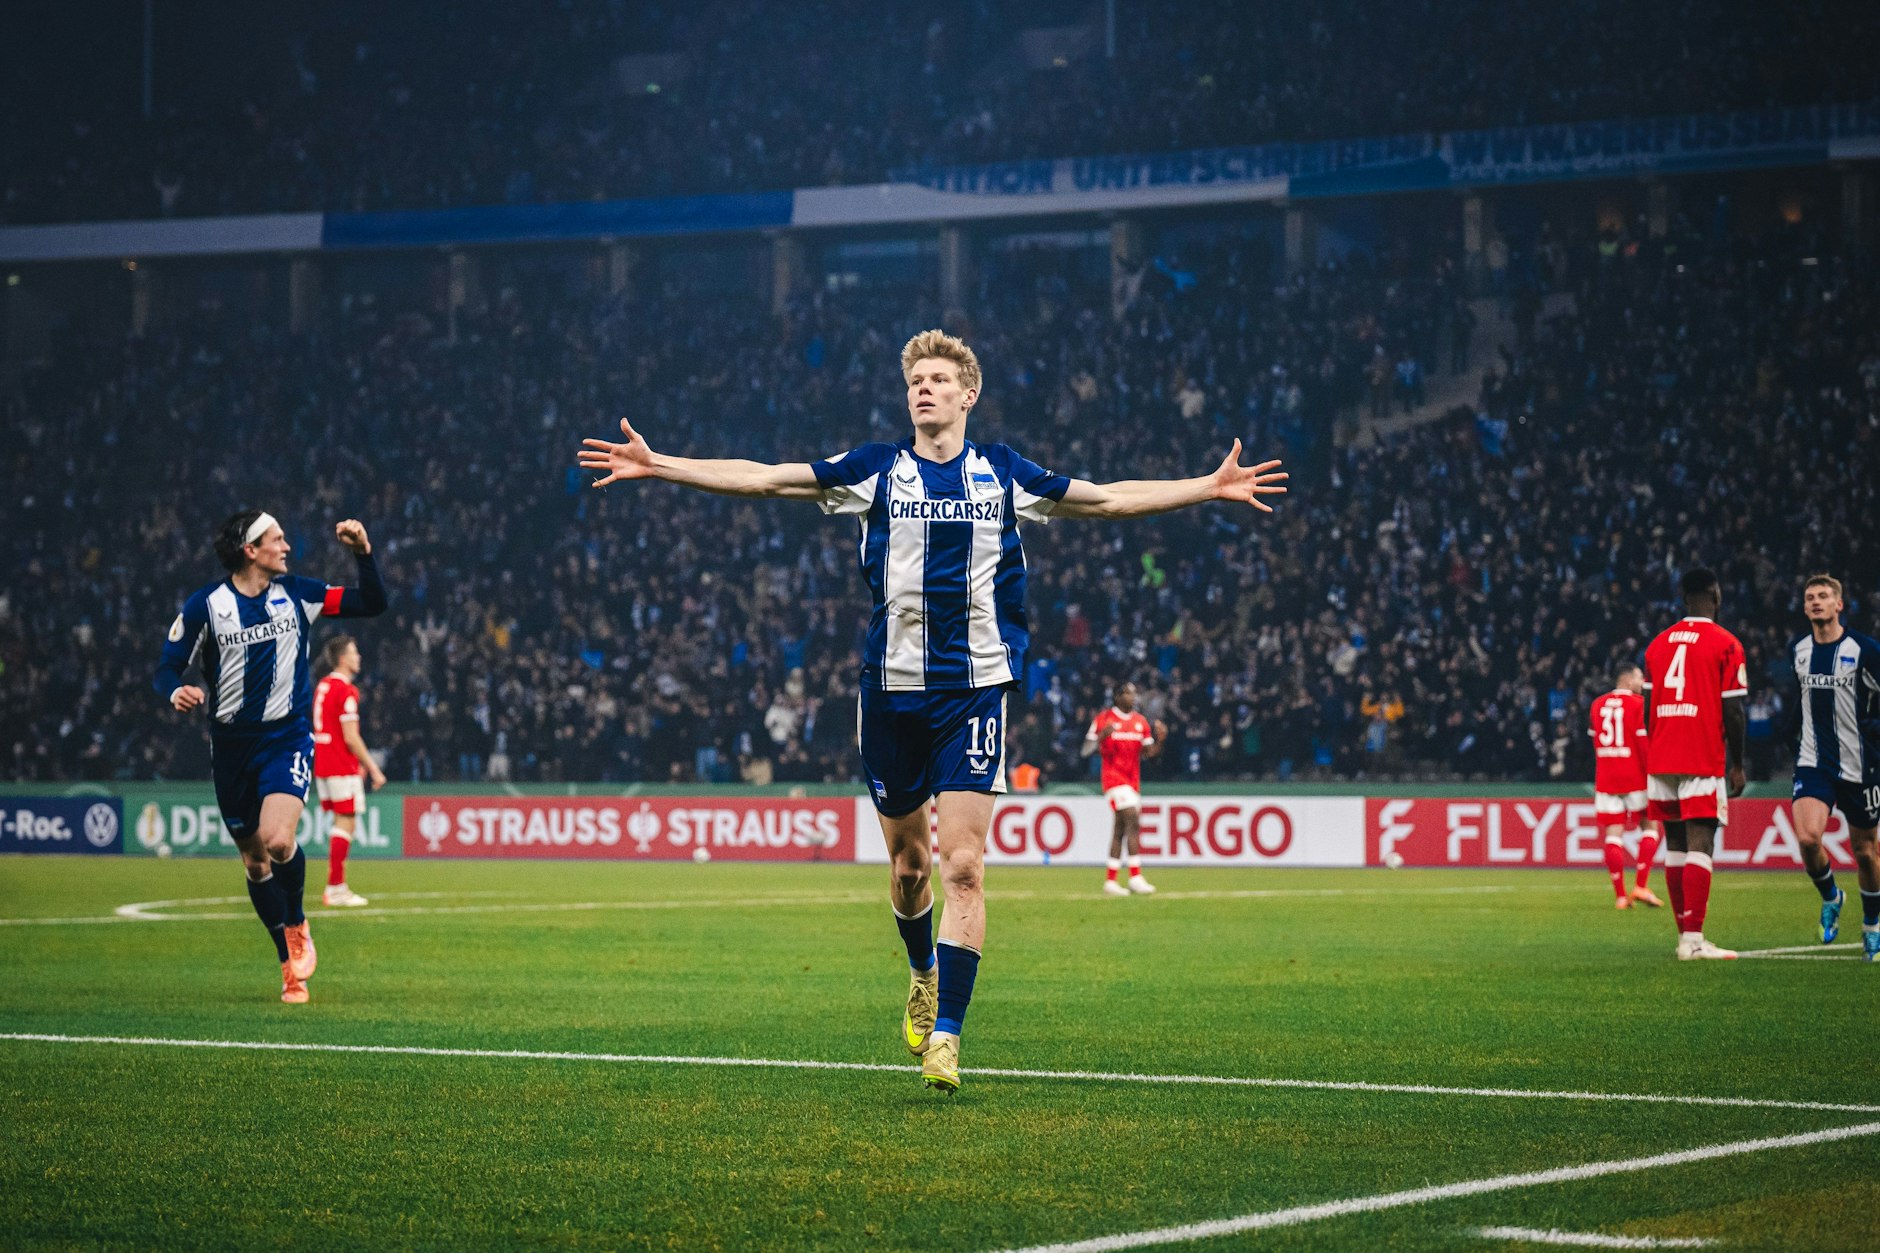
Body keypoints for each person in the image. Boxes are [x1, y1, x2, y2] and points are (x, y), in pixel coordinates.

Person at [578, 328, 1286, 1091]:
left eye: (940, 377)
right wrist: (661, 465)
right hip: (889, 691)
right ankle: (922, 972)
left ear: (967, 394)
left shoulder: (1004, 474)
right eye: (917, 377)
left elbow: (1109, 498)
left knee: (963, 865)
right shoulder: (876, 471)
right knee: (909, 866)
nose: (925, 386)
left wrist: (1206, 486)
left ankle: (948, 1035)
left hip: (974, 690)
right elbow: (763, 479)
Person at [154, 512, 387, 1002]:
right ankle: (287, 963)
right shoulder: (207, 607)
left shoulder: (298, 594)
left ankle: (297, 921)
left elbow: (372, 602)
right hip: (232, 749)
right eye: (276, 539)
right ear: (250, 550)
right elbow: (167, 666)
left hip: (286, 737)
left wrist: (363, 554)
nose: (286, 546)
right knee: (255, 861)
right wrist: (175, 689)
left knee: (279, 841)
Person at [1642, 568, 1747, 961]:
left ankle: (1684, 937)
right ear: (1716, 596)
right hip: (1700, 753)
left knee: (1675, 844)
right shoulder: (1726, 643)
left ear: (1684, 599)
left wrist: (1657, 748)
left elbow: (1648, 709)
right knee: (1701, 840)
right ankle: (1694, 940)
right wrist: (1738, 763)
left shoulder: (1656, 645)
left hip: (1662, 754)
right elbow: (1733, 710)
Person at [1786, 574, 1880, 960]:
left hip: (1860, 764)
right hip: (1813, 762)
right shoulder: (1799, 650)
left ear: (1839, 605)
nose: (1816, 602)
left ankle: (1872, 926)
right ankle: (1831, 896)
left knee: (1866, 852)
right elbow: (1801, 703)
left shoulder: (1865, 649)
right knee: (1809, 839)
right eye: (1810, 597)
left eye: (1824, 596)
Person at [313, 634, 388, 907]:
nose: (359, 658)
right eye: (355, 653)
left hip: (322, 760)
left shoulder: (323, 686)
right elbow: (351, 737)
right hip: (339, 762)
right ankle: (336, 887)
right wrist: (373, 768)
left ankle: (336, 886)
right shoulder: (346, 691)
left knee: (342, 822)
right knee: (347, 822)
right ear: (343, 659)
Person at [1589, 664, 1663, 910]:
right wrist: (1651, 774)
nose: (1643, 682)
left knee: (1613, 835)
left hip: (1607, 777)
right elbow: (1643, 744)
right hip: (1635, 776)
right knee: (1650, 826)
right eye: (1640, 677)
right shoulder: (1638, 705)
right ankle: (1641, 885)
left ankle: (1620, 896)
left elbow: (1595, 742)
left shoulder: (1597, 704)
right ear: (1629, 679)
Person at [1083, 680, 1165, 896]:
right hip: (1113, 780)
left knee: (1120, 830)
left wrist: (1161, 741)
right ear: (1117, 696)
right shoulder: (1104, 719)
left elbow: (1149, 754)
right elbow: (1085, 750)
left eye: (1135, 693)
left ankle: (1111, 881)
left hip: (1132, 783)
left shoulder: (1140, 722)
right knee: (1133, 821)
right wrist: (1102, 736)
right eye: (1129, 693)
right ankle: (1135, 877)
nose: (1134, 697)